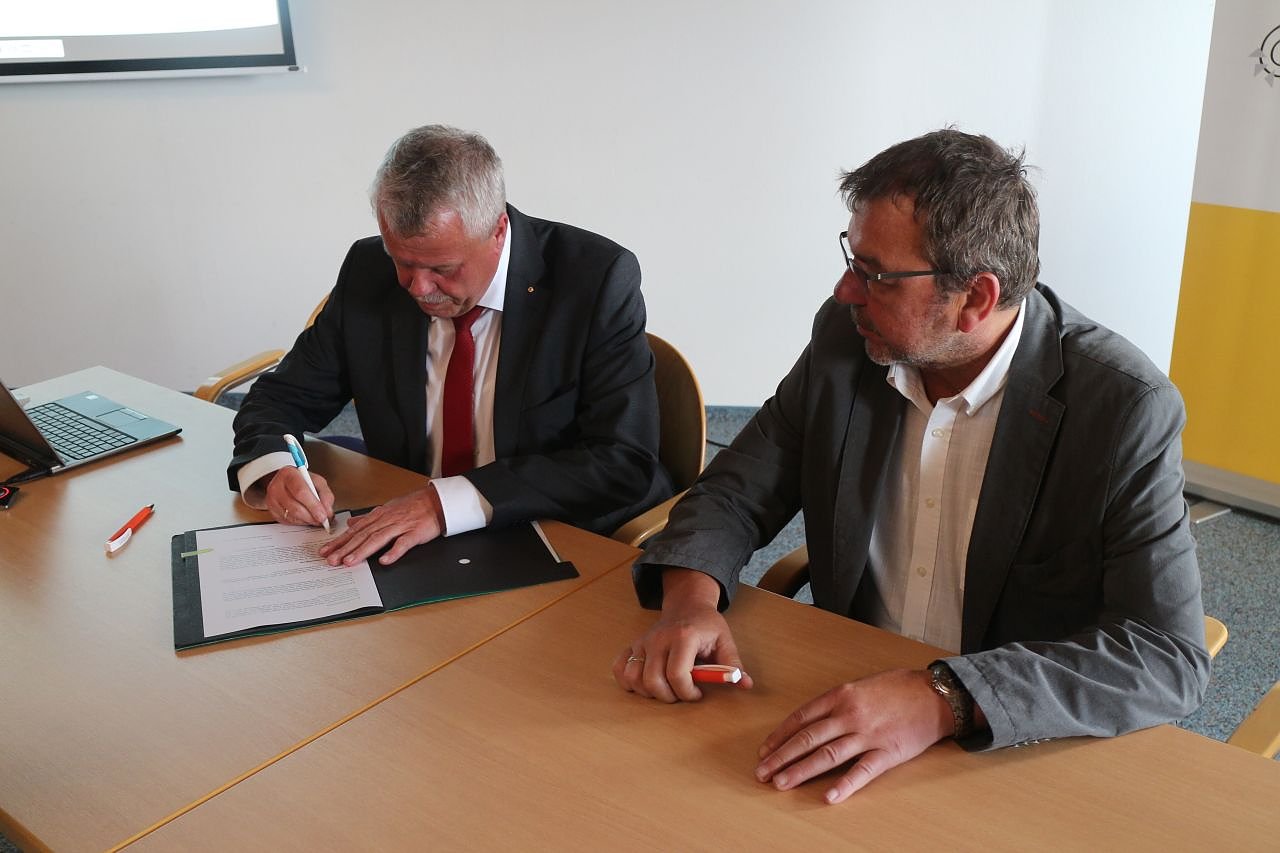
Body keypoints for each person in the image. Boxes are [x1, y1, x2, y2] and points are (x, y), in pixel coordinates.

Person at [612, 128, 1209, 804]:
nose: (845, 290)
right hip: (844, 688)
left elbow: (1166, 655)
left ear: (976, 298)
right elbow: (736, 491)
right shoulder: (848, 341)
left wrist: (943, 696)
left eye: (876, 275)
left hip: (1007, 745)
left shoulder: (1122, 406)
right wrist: (689, 603)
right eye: (851, 258)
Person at [227, 124, 672, 565]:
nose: (418, 288)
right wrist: (275, 468)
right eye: (402, 262)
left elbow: (622, 460)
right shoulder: (368, 269)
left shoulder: (594, 280)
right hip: (412, 534)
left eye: (443, 269)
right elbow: (282, 397)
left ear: (498, 232)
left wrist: (445, 503)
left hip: (549, 531)